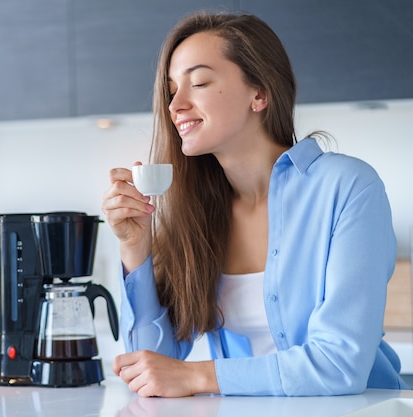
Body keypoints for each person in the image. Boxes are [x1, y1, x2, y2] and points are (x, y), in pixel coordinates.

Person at [101, 10, 407, 397]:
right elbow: (151, 364)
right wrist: (134, 246)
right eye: (171, 89)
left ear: (259, 93)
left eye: (198, 82)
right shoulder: (195, 212)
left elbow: (338, 365)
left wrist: (198, 376)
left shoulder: (347, 187)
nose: (175, 104)